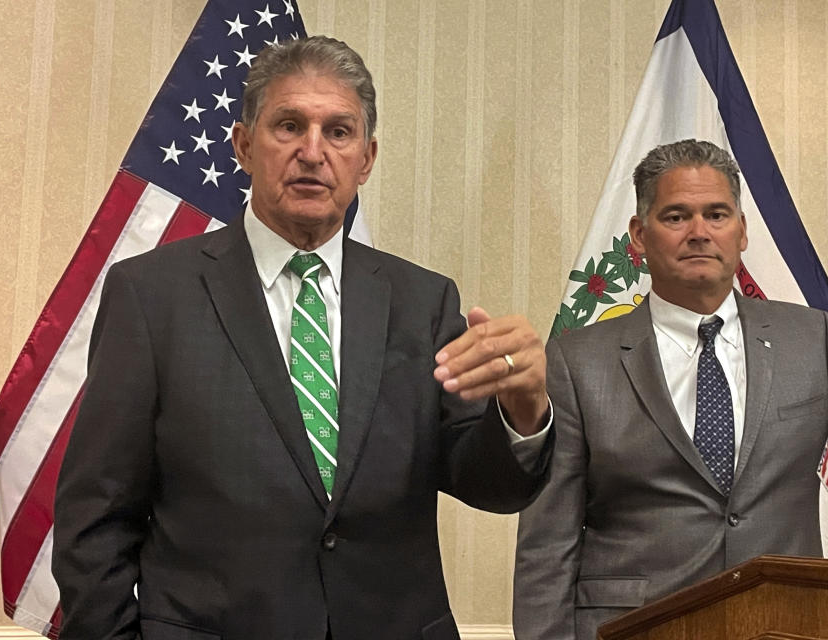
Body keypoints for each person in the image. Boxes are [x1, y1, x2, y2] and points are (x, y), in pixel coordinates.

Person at [52, 36, 552, 640]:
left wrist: (523, 409)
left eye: (338, 132)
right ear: (242, 145)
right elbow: (95, 519)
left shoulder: (423, 302)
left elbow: (489, 485)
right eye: (289, 126)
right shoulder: (152, 295)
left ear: (366, 158)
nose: (313, 152)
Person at [512, 139, 828, 639]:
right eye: (676, 217)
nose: (699, 232)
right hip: (636, 626)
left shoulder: (810, 339)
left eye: (717, 215)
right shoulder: (577, 361)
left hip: (787, 622)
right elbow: (548, 541)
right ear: (638, 235)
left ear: (741, 231)